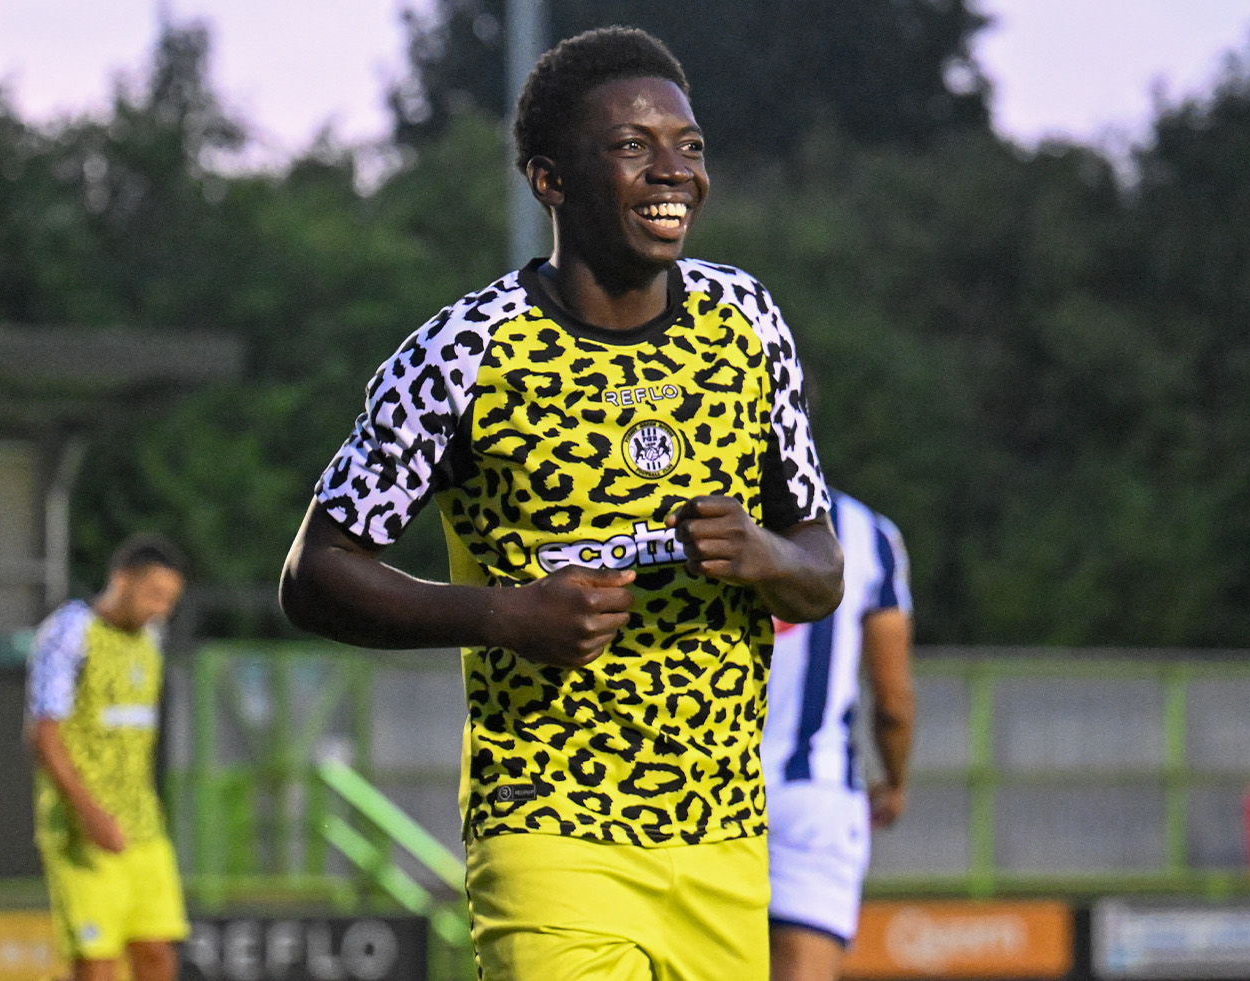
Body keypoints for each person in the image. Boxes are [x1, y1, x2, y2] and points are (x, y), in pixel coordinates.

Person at [280, 25, 844, 981]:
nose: (673, 171)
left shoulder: (748, 323)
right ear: (549, 180)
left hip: (725, 836)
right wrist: (507, 615)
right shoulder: (463, 352)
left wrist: (766, 554)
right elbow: (316, 575)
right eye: (632, 145)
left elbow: (821, 568)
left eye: (689, 145)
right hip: (549, 823)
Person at [762, 490, 915, 981]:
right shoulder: (866, 533)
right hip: (813, 795)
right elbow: (892, 703)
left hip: (701, 789)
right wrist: (894, 781)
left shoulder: (693, 517)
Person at [26, 534, 191, 981]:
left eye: (170, 600)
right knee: (97, 964)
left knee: (156, 953)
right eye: (154, 595)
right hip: (82, 830)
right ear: (121, 581)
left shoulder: (151, 640)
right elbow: (44, 734)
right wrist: (90, 814)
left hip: (144, 827)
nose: (161, 609)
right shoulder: (70, 632)